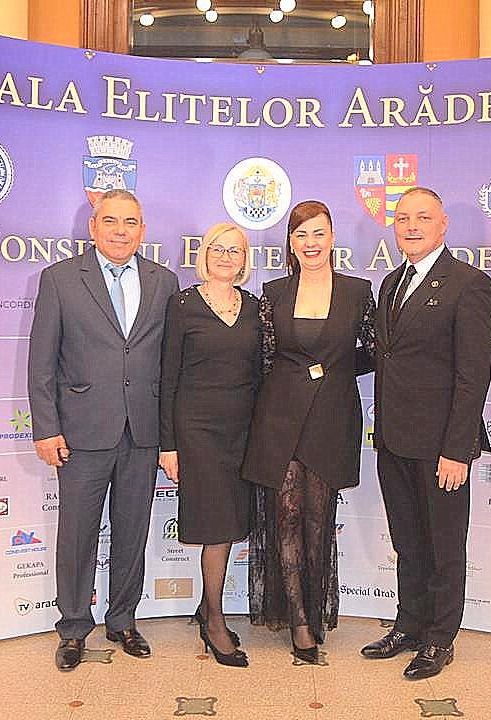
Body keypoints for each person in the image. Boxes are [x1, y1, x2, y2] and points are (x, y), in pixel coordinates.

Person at [27, 189, 180, 671]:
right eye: (110, 221)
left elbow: (170, 363)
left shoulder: (164, 281)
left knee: (133, 532)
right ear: (93, 228)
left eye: (130, 222)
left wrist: (171, 435)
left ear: (143, 230)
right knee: (77, 535)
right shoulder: (59, 279)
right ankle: (74, 627)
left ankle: (123, 619)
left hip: (143, 430)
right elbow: (41, 362)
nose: (120, 230)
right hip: (80, 432)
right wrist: (46, 428)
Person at [362, 187, 491, 680]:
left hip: (442, 446)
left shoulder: (469, 284)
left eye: (422, 217)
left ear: (443, 225)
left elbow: (473, 375)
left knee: (443, 544)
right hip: (392, 439)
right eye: (403, 219)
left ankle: (440, 637)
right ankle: (410, 625)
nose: (411, 226)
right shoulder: (391, 282)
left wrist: (457, 449)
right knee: (408, 541)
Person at [242, 200, 376, 664]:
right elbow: (265, 358)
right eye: (301, 235)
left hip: (331, 418)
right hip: (279, 418)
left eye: (318, 233)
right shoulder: (274, 292)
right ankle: (299, 622)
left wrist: (330, 372)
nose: (310, 243)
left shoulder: (358, 292)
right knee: (286, 518)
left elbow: (375, 351)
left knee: (318, 521)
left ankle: (315, 612)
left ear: (332, 238)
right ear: (291, 243)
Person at [159, 223, 260, 668]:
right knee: (216, 526)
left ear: (244, 260)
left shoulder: (254, 306)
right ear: (204, 255)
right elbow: (167, 377)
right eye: (217, 248)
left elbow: (262, 372)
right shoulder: (182, 304)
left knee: (233, 521)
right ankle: (214, 621)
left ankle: (208, 607)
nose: (225, 256)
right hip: (197, 431)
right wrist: (168, 445)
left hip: (243, 431)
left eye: (234, 250)